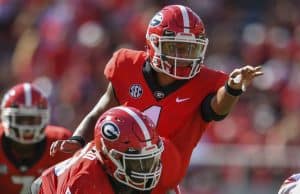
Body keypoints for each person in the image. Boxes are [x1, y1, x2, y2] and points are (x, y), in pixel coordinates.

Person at [50, 4, 263, 192]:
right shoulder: (126, 64)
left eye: (190, 48)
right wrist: (77, 140)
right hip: (113, 172)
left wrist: (233, 88)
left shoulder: (207, 81)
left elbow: (216, 110)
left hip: (160, 181)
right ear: (154, 43)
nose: (183, 56)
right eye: (176, 47)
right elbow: (100, 111)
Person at [31, 106, 166, 194]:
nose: (148, 170)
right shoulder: (86, 182)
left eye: (150, 160)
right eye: (138, 163)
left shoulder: (145, 173)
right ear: (110, 158)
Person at [0, 83, 72, 194]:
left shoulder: (61, 142)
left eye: (33, 119)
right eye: (21, 119)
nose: (27, 126)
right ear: (5, 117)